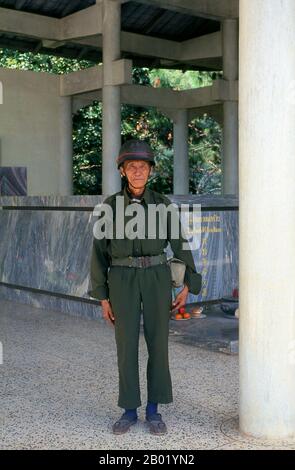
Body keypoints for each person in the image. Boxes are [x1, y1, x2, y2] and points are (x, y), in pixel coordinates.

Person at [89, 139, 201, 435]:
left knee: (158, 344)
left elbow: (180, 242)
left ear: (150, 170)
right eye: (131, 166)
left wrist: (188, 283)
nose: (137, 171)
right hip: (122, 280)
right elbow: (99, 254)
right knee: (125, 346)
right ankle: (128, 410)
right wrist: (103, 297)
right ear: (123, 171)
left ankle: (153, 410)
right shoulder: (110, 207)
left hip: (156, 277)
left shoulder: (162, 204)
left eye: (143, 166)